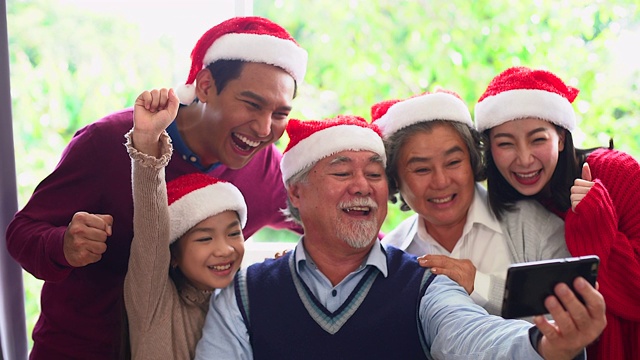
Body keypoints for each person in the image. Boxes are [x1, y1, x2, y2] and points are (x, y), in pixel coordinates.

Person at [5, 16, 307, 359]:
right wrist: (64, 245)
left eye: (280, 113)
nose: (265, 128)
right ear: (205, 85)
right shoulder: (107, 142)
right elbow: (22, 232)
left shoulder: (266, 166)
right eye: (252, 104)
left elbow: (327, 229)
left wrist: (295, 267)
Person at [194, 115, 606, 359]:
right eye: (342, 172)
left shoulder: (424, 280)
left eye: (374, 173)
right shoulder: (244, 292)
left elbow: (475, 336)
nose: (363, 186)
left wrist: (545, 345)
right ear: (296, 193)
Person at [475, 65, 640, 359]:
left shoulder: (615, 172)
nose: (524, 159)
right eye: (505, 144)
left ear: (561, 138)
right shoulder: (507, 204)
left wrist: (594, 222)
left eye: (538, 139)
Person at [372, 89, 570, 315]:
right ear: (395, 178)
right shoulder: (392, 252)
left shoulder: (537, 228)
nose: (441, 181)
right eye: (422, 169)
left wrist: (479, 284)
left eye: (453, 162)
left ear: (473, 161)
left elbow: (565, 325)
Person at [124, 88, 247, 358]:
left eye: (233, 233)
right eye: (205, 238)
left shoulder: (243, 301)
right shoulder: (153, 302)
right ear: (173, 256)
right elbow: (151, 232)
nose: (225, 249)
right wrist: (146, 142)